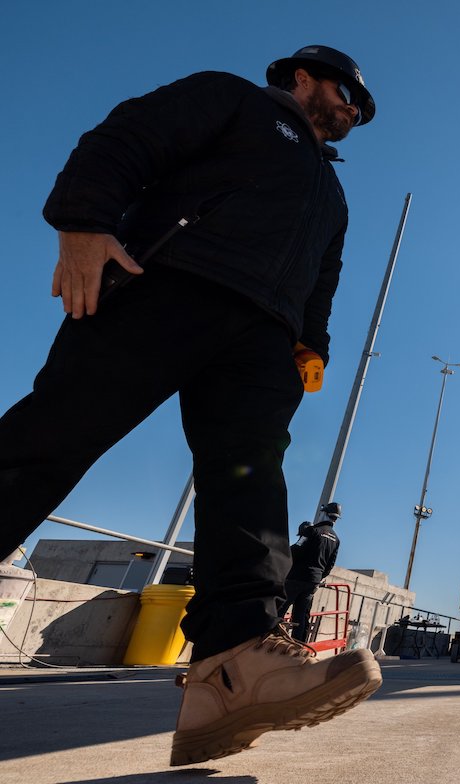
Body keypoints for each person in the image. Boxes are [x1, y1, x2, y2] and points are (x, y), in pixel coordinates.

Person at [0, 45, 382, 766]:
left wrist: (312, 345)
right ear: (301, 75)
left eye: (360, 108)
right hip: (163, 287)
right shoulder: (231, 100)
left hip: (264, 341)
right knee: (49, 439)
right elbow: (125, 140)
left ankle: (235, 669)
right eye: (347, 93)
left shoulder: (331, 195)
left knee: (251, 490)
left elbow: (322, 281)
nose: (355, 111)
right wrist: (83, 223)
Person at [278, 503, 342, 641]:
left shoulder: (312, 531)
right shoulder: (336, 539)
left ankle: (268, 639)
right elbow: (330, 565)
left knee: (279, 609)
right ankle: (299, 645)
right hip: (313, 581)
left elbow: (296, 550)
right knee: (301, 616)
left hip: (297, 577)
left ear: (323, 514)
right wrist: (318, 577)